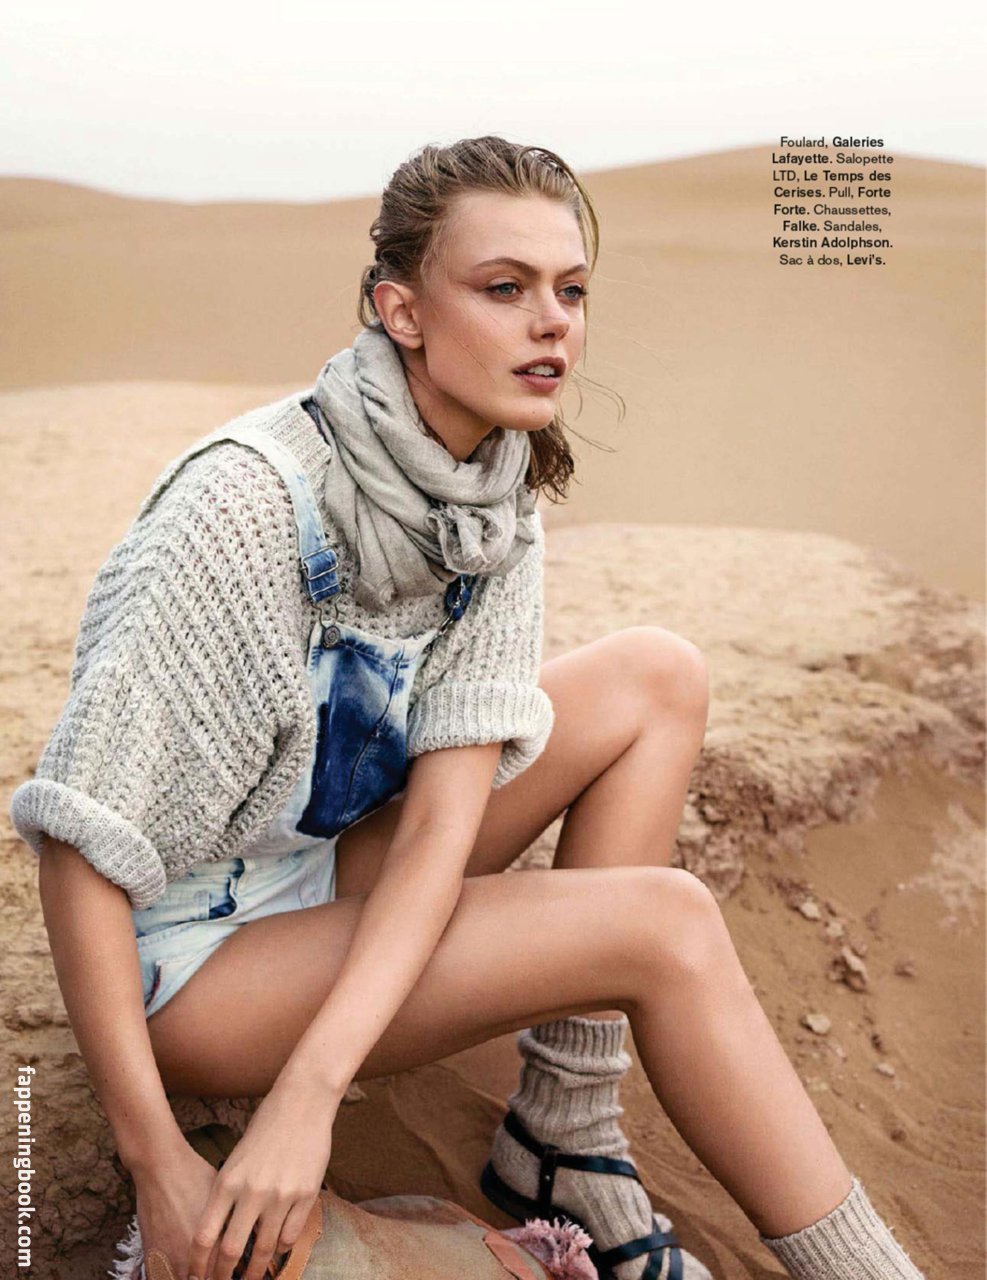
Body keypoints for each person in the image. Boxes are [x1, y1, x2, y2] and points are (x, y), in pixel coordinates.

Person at [10, 136, 925, 1280]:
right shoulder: (244, 508)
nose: (553, 324)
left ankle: (563, 1137)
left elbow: (443, 825)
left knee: (656, 675)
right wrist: (167, 1155)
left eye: (571, 290)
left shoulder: (493, 495)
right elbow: (79, 846)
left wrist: (315, 1084)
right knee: (667, 923)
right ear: (401, 310)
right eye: (505, 287)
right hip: (192, 962)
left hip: (319, 867)